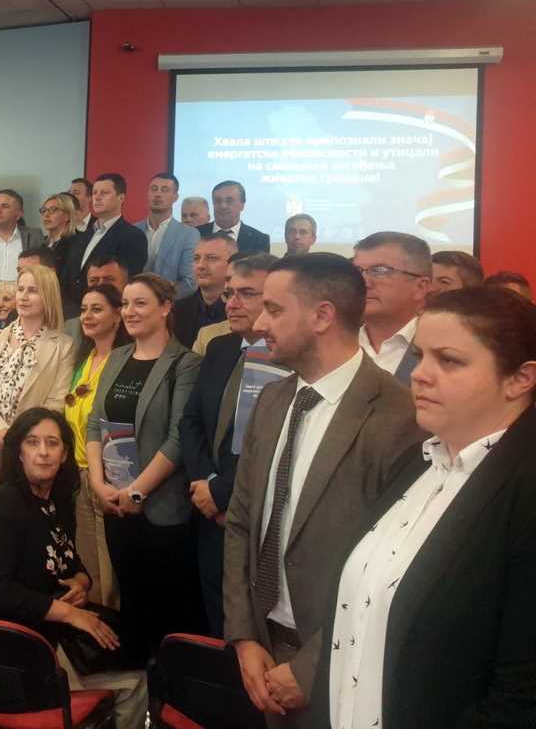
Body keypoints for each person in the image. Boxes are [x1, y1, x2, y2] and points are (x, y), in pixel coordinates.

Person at [316, 286, 536, 729]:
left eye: (448, 360)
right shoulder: (418, 462)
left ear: (519, 379)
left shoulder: (524, 491)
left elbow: (520, 697)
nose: (419, 375)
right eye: (419, 356)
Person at [222, 253, 425, 727]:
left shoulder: (400, 417)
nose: (259, 322)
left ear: (322, 316)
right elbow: (241, 520)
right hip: (263, 649)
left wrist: (313, 666)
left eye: (274, 309)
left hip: (345, 660)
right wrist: (244, 636)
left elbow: (395, 565)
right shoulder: (272, 399)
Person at [0, 408, 147, 728]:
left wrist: (82, 581)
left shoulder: (57, 501)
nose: (43, 452)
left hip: (42, 630)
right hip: (2, 645)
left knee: (137, 647)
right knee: (136, 679)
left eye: (52, 443)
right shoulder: (2, 503)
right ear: (19, 452)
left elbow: (68, 558)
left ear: (64, 454)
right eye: (32, 442)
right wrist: (70, 614)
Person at [86, 273, 203, 669]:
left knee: (168, 614)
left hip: (160, 510)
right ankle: (135, 691)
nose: (129, 312)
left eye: (140, 303)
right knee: (131, 602)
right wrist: (98, 483)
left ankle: (167, 689)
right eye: (125, 304)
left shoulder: (185, 363)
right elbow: (94, 423)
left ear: (166, 307)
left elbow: (178, 438)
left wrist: (137, 492)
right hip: (114, 505)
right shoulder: (118, 357)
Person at [179, 253, 275, 635]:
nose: (231, 303)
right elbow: (191, 422)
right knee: (215, 617)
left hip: (259, 516)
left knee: (253, 627)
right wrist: (204, 484)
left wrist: (222, 492)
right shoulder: (219, 348)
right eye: (229, 293)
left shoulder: (290, 358)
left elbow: (276, 441)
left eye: (246, 294)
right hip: (209, 513)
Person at [0, 264, 73, 511]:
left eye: (32, 290)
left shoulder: (63, 346)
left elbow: (56, 402)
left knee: (26, 522)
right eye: (21, 289)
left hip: (32, 450)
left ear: (48, 296)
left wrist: (21, 436)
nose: (23, 296)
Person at [65, 284, 129, 609]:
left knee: (111, 566)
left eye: (97, 309)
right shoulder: (84, 360)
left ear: (118, 315)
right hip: (79, 474)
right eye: (84, 309)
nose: (87, 316)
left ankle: (114, 625)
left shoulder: (124, 361)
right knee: (88, 565)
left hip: (109, 478)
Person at [353, 231, 431, 383]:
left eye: (380, 271)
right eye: (357, 271)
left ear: (420, 287)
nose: (363, 282)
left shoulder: (445, 345)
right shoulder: (334, 342)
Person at [63, 173, 150, 308]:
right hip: (72, 308)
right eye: (95, 193)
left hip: (106, 308)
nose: (97, 197)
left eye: (104, 193)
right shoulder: (83, 235)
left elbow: (127, 281)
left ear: (121, 198)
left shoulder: (132, 236)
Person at [136, 173, 200, 297]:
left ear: (175, 197)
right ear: (148, 194)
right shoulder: (133, 230)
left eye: (164, 190)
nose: (158, 194)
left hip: (170, 304)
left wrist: (158, 300)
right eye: (154, 189)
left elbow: (189, 283)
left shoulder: (189, 234)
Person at [172, 233, 236, 348]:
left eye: (212, 258)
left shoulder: (240, 311)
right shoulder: (176, 310)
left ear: (232, 264)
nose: (200, 266)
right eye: (196, 259)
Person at [198, 181, 271, 253]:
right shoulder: (196, 234)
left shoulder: (259, 239)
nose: (223, 206)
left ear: (242, 205)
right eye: (218, 201)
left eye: (229, 200)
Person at [40, 193, 78, 273]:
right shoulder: (41, 242)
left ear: (67, 216)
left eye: (53, 210)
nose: (46, 215)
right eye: (44, 210)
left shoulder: (77, 242)